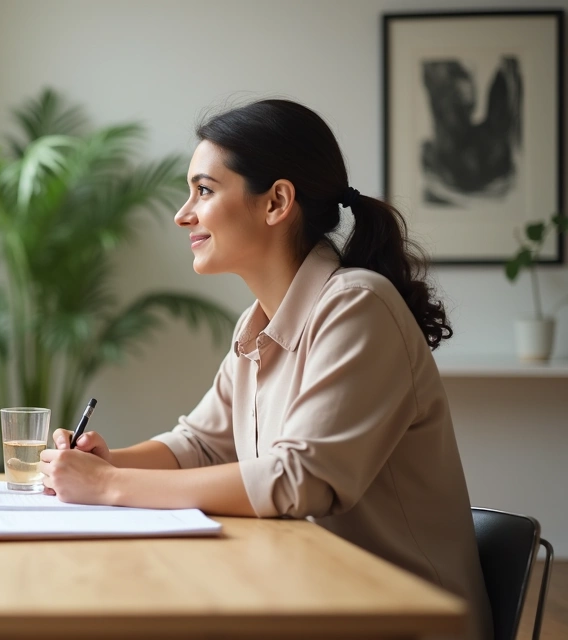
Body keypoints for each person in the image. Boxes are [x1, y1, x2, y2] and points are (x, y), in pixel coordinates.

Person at [39, 99, 491, 639]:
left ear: (277, 201)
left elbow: (302, 480)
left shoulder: (357, 306)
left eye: (203, 191)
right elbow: (199, 445)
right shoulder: (257, 326)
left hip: (401, 619)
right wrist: (107, 461)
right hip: (309, 598)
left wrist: (111, 485)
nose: (183, 214)